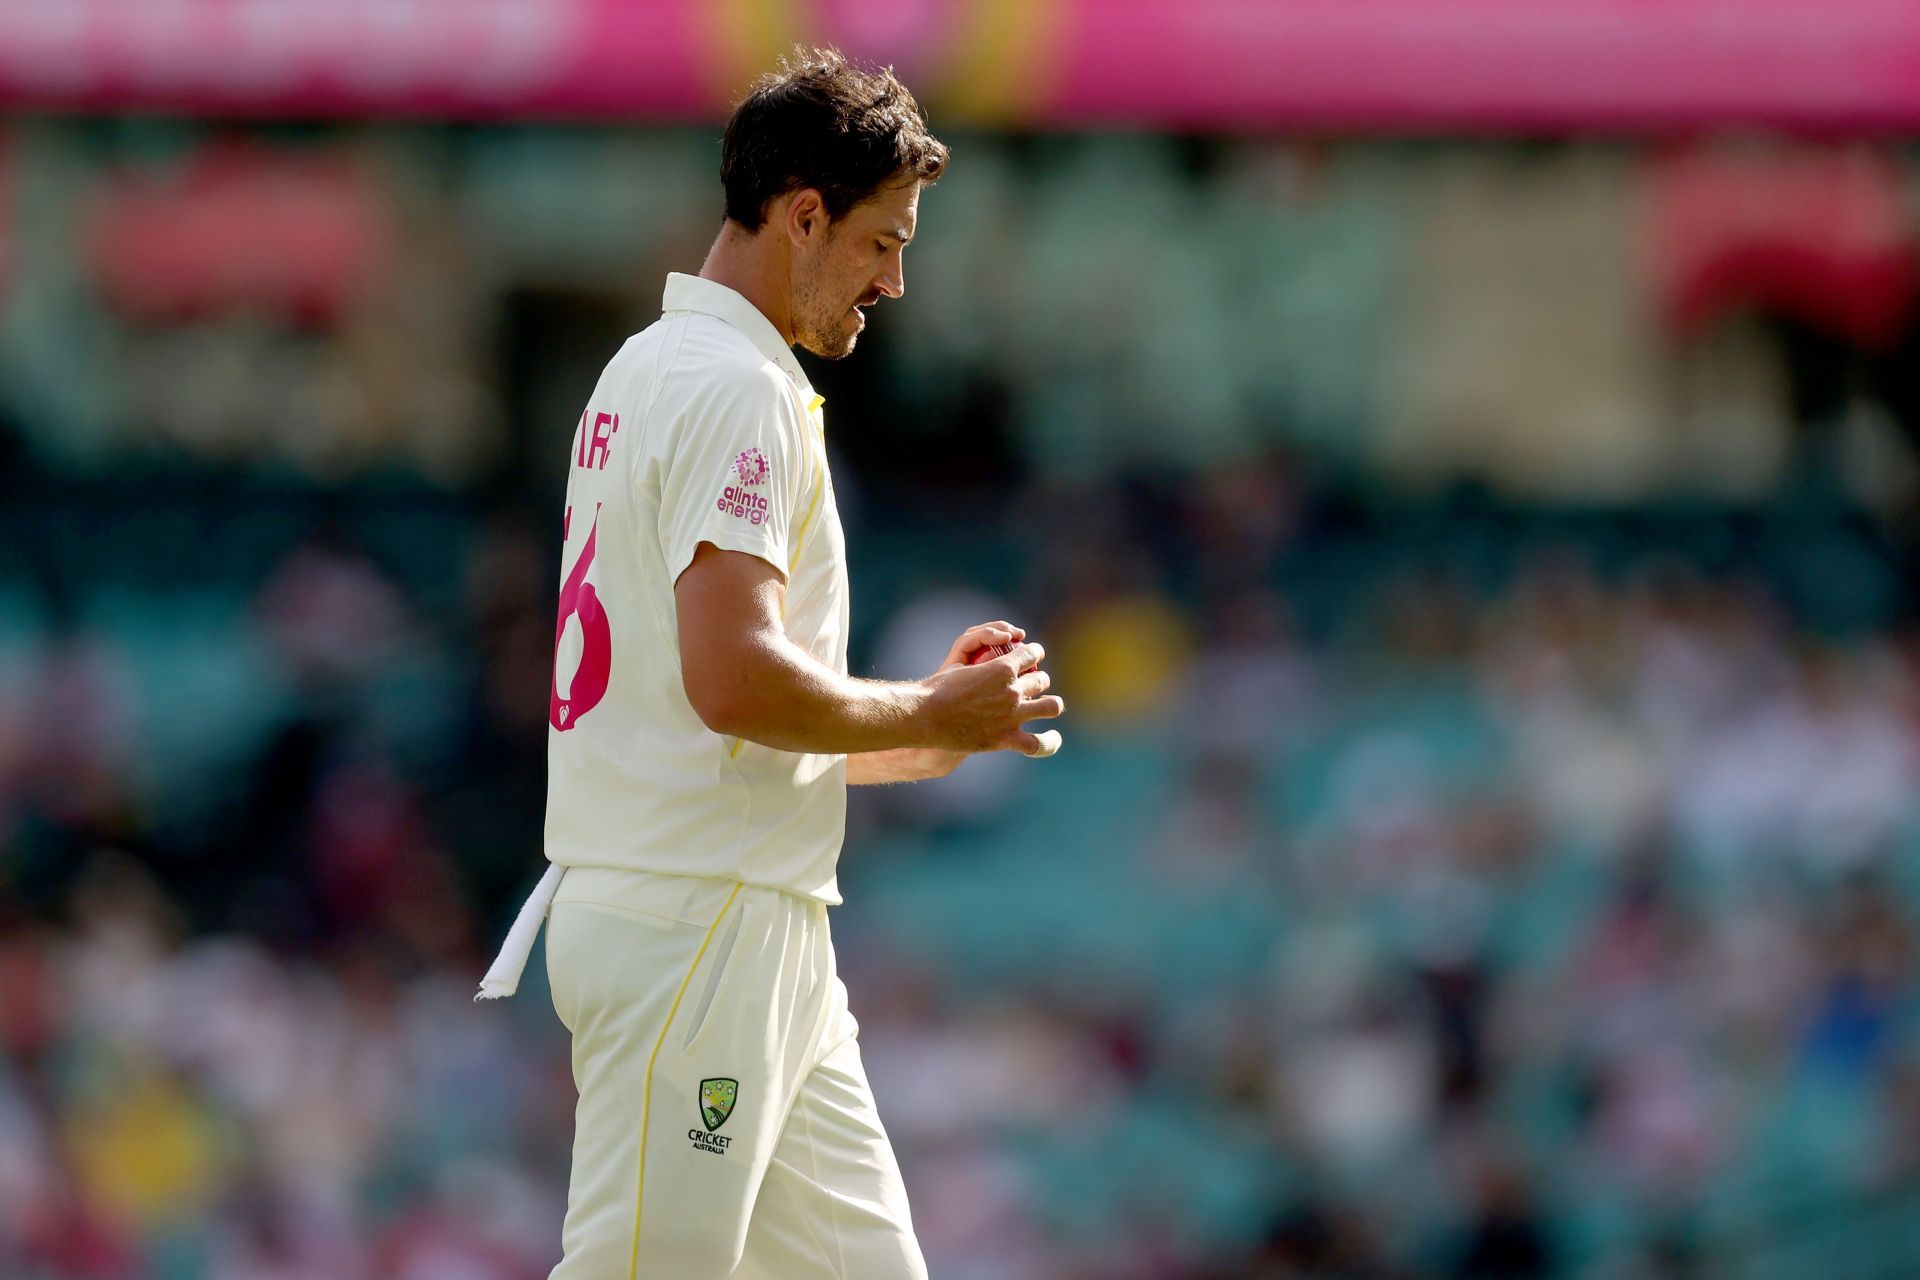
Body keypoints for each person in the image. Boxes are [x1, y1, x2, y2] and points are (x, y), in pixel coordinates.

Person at [478, 46, 1065, 1279]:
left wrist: (937, 727)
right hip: (698, 921)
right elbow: (733, 678)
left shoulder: (648, 368)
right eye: (881, 241)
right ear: (805, 215)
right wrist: (924, 704)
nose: (896, 280)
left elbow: (733, 727)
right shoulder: (734, 387)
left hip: (750, 921)